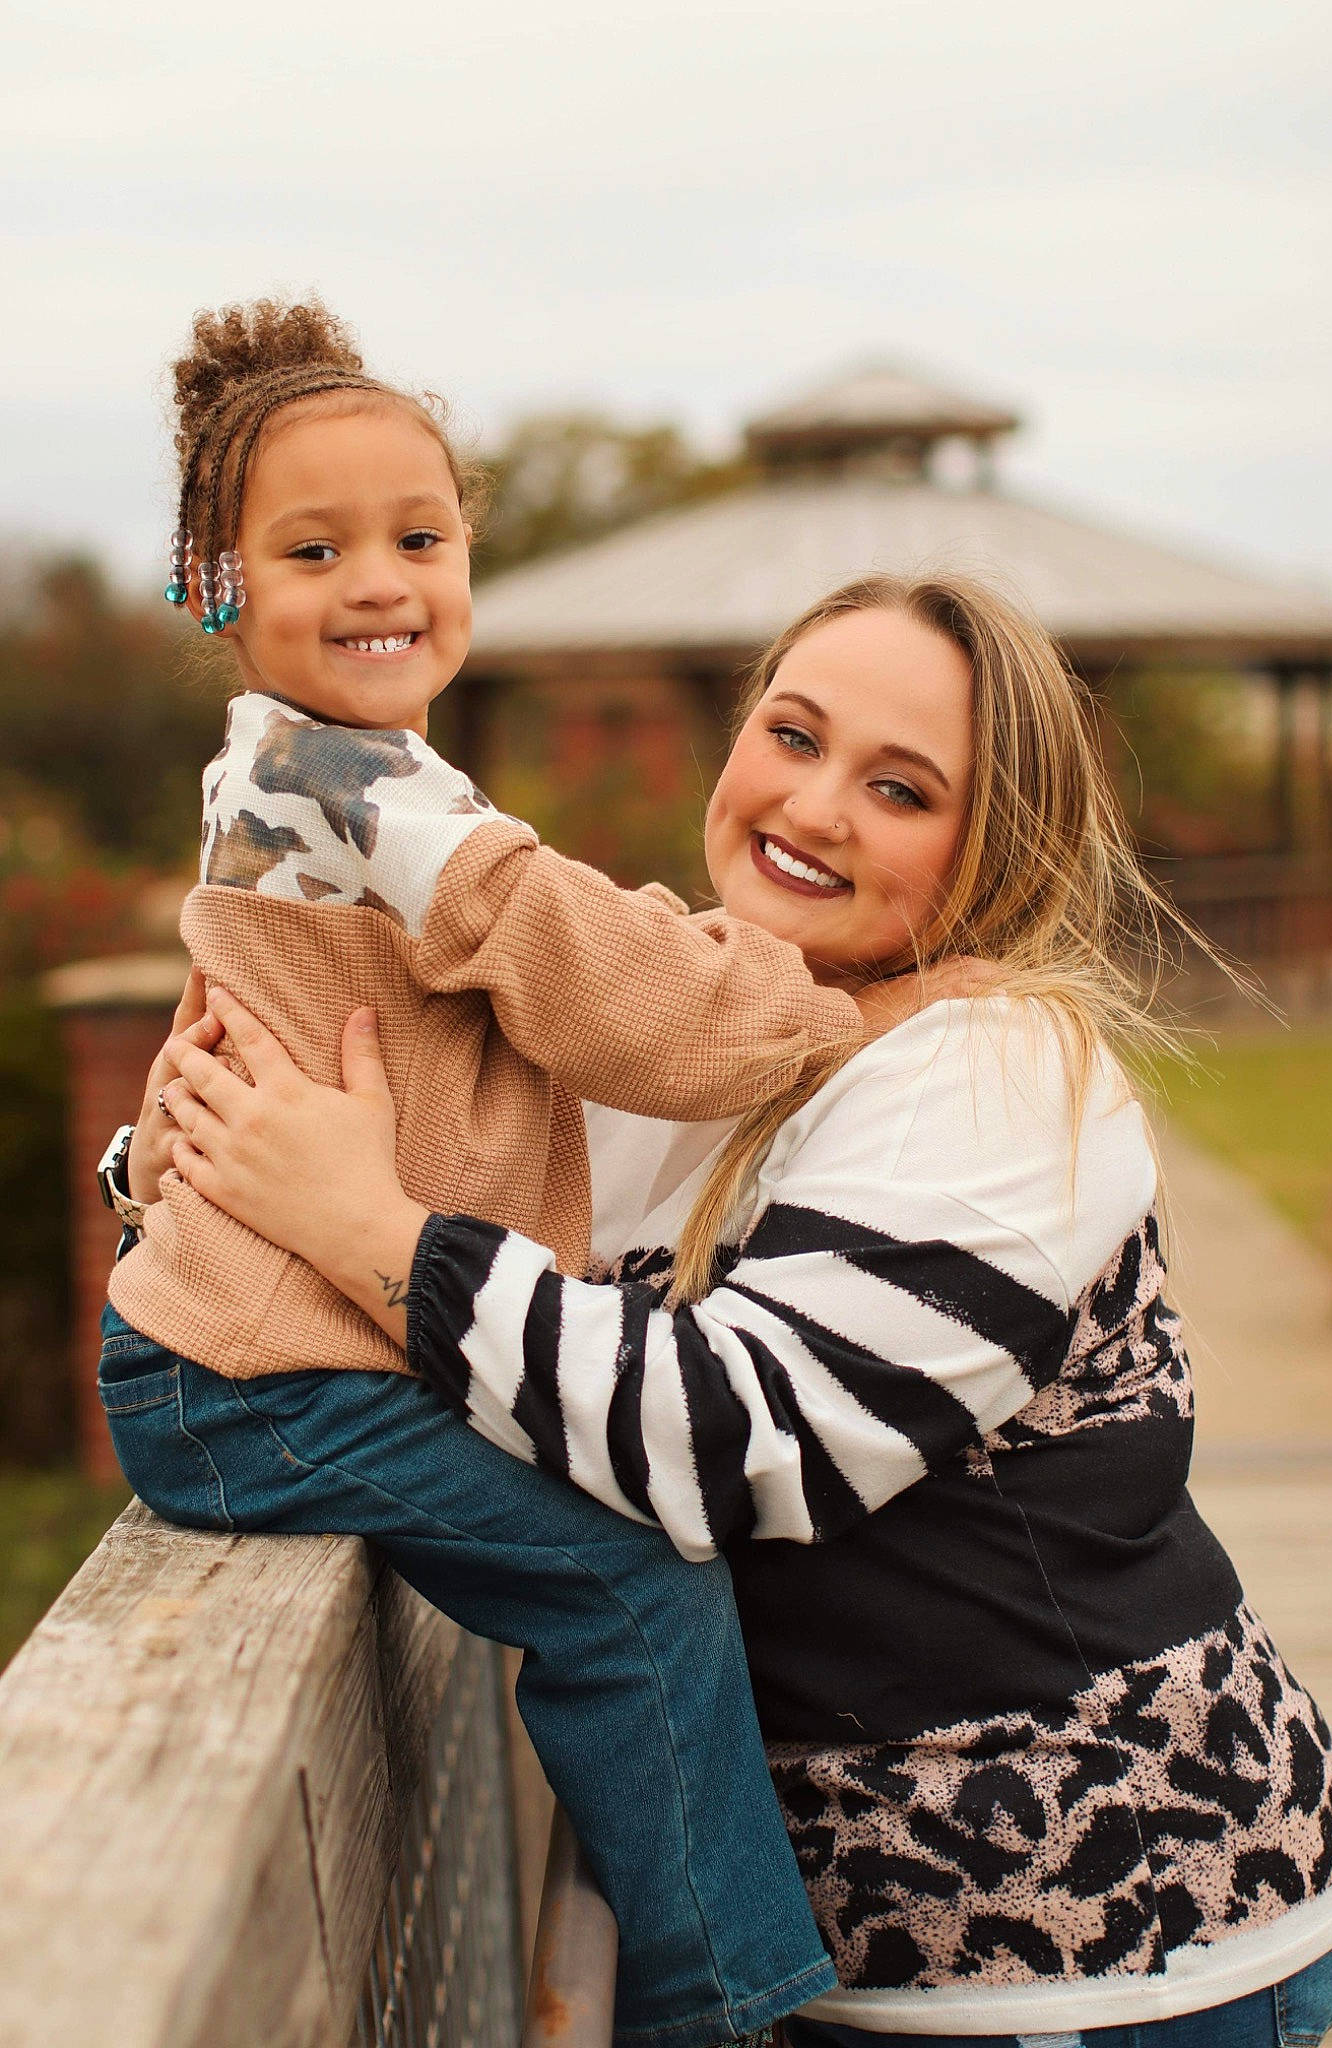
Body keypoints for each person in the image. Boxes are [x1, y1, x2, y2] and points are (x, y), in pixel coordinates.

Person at [142, 573, 1332, 2044]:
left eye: (900, 789)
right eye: (792, 735)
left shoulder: (999, 1078)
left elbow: (734, 1438)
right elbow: (392, 1151)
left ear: (992, 852)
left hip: (1107, 1945)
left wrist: (372, 1231)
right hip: (863, 1952)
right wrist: (198, 1143)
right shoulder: (683, 1031)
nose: (817, 804)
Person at [102, 296, 937, 2048]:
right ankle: (722, 2005)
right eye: (313, 548)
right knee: (631, 1575)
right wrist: (829, 1016)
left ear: (471, 545)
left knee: (613, 1556)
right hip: (260, 1379)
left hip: (266, 1356)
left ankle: (687, 1973)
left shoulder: (337, 778)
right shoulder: (352, 783)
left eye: (420, 535)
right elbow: (590, 983)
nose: (380, 579)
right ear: (217, 583)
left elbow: (538, 930)